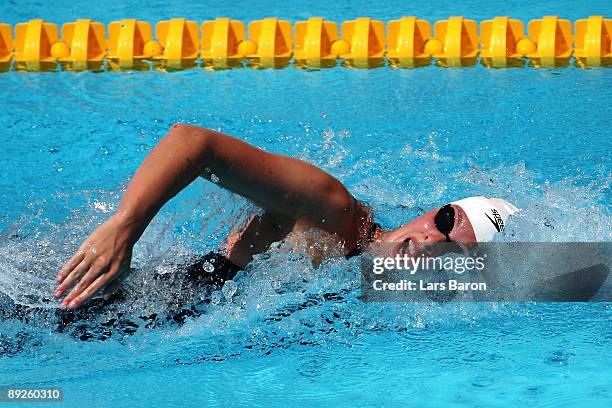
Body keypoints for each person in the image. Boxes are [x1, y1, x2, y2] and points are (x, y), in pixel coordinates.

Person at [53, 124, 518, 310]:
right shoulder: (333, 210)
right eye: (444, 221)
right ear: (431, 210)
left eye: (454, 250)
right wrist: (125, 226)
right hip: (130, 293)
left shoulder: (371, 278)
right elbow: (193, 143)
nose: (434, 241)